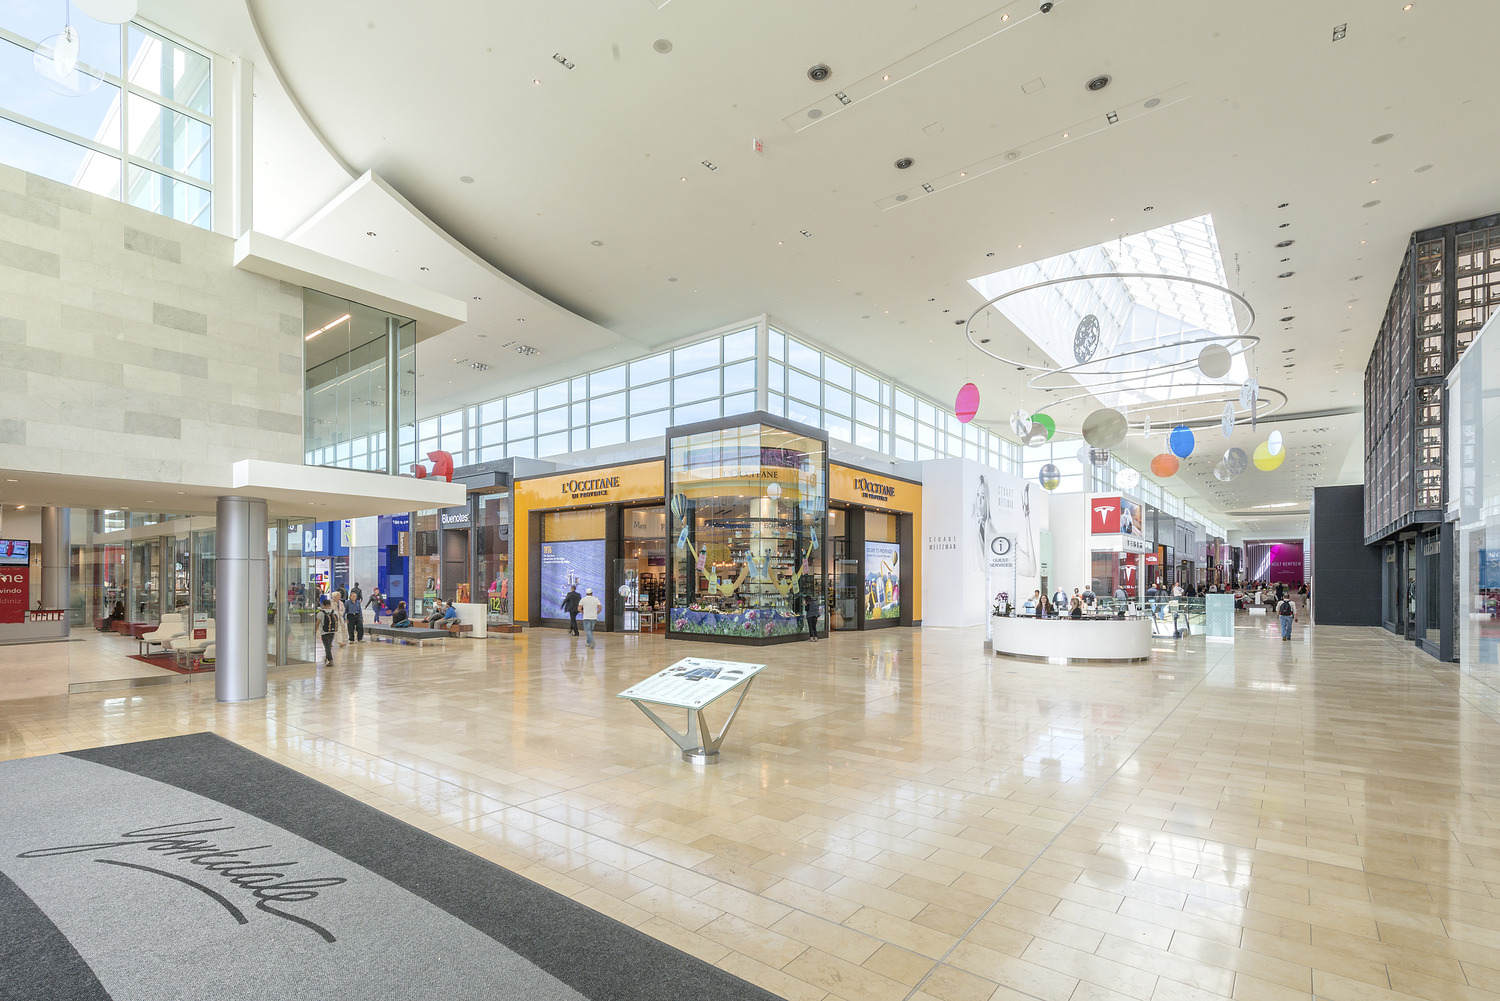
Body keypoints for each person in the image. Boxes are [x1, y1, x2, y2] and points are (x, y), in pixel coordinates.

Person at [316, 596, 336, 665]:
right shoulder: (334, 612)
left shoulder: (321, 613)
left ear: (323, 605)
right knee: (328, 645)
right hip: (332, 631)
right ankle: (327, 656)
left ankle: (330, 660)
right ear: (330, 605)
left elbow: (318, 623)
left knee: (327, 646)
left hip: (324, 632)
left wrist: (315, 631)